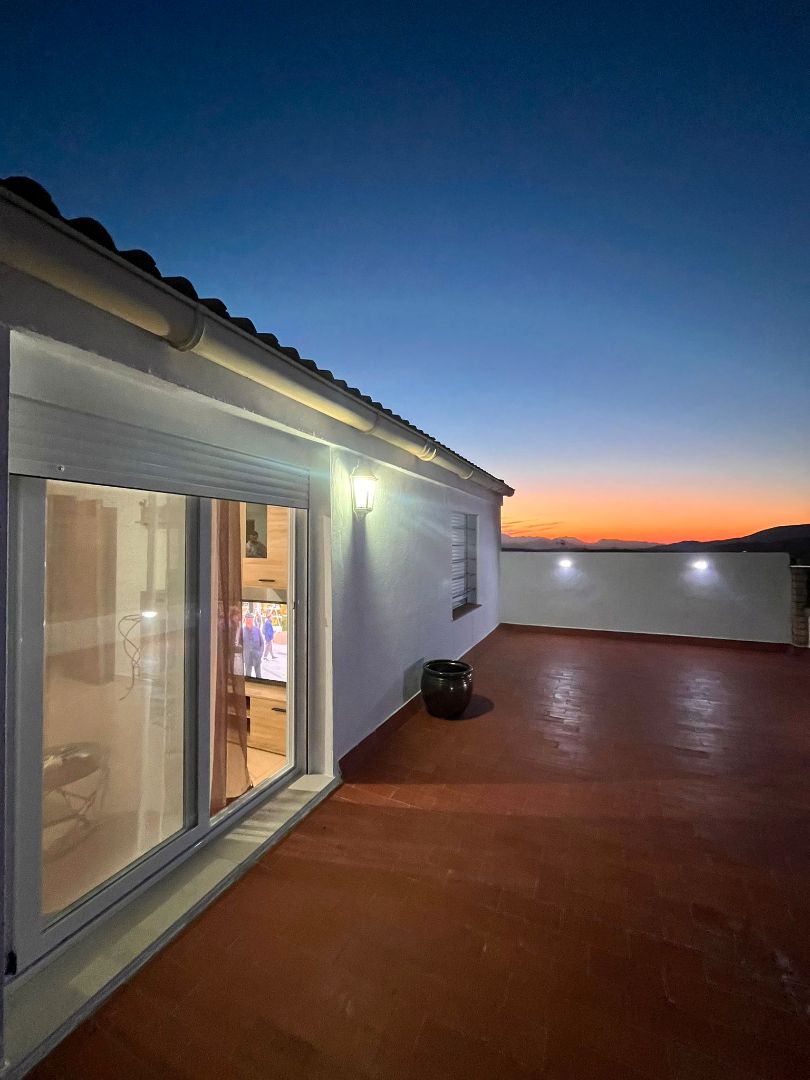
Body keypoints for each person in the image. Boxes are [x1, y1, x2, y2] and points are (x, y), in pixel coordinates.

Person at [241, 612, 264, 679]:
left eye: (250, 619)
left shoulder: (257, 630)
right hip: (247, 657)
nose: (249, 621)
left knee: (259, 676)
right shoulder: (242, 631)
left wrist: (260, 654)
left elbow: (262, 643)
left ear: (252, 620)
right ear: (245, 620)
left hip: (257, 657)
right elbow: (239, 644)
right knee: (248, 676)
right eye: (247, 619)